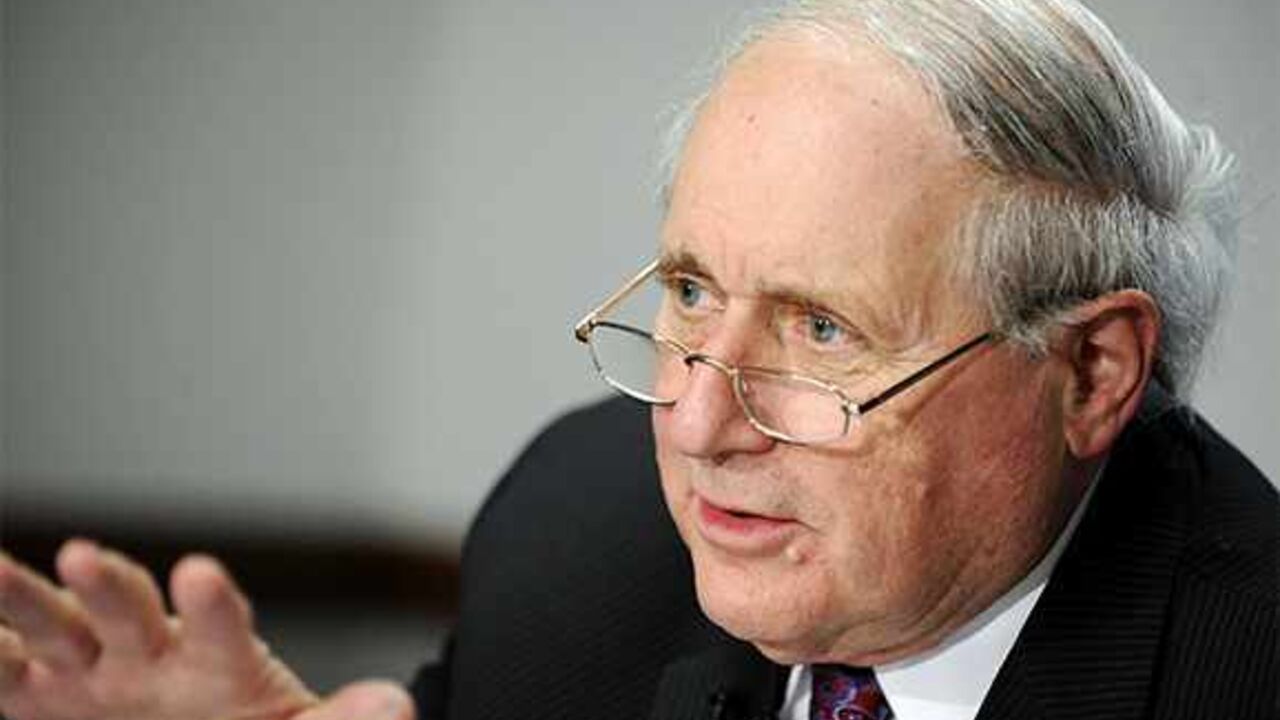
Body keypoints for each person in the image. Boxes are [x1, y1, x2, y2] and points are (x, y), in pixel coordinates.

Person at [1, 1, 1276, 719]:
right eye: (688, 292)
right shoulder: (578, 534)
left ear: (1092, 374)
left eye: (818, 329)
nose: (694, 423)